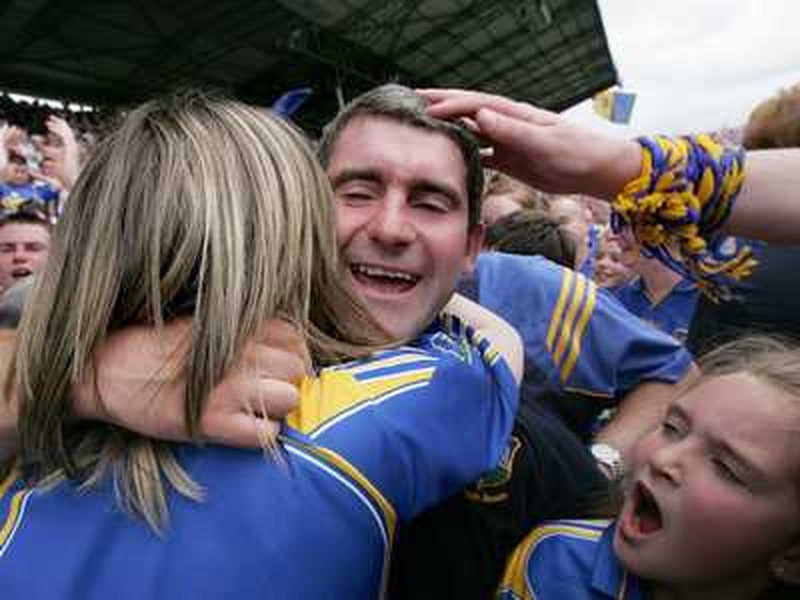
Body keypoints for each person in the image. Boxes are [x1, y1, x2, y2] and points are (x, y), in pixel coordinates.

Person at [0, 85, 694, 600]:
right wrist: (85, 374)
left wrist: (66, 368)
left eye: (430, 203)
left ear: (476, 245)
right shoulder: (409, 404)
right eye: (356, 192)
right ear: (296, 225)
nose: (392, 228)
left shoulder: (535, 393)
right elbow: (496, 354)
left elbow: (666, 372)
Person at [498, 336, 800, 600]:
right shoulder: (560, 564)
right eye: (672, 427)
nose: (662, 460)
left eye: (725, 468)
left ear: (792, 554)